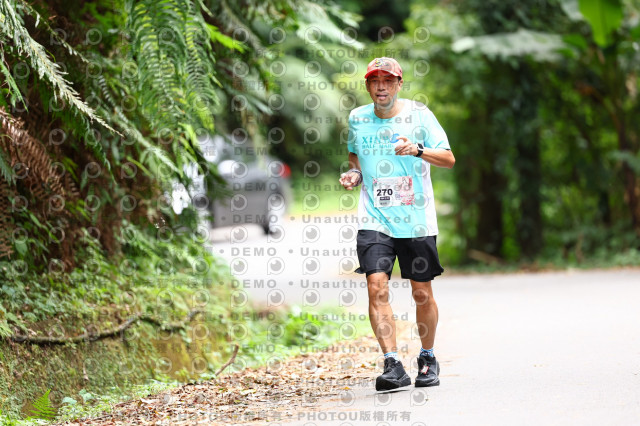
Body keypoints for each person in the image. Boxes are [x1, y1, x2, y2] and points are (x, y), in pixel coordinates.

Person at [339, 57, 455, 391]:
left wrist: (417, 150)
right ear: (367, 86)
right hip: (374, 217)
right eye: (375, 81)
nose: (381, 87)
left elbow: (448, 158)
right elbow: (354, 155)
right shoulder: (357, 118)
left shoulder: (420, 115)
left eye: (388, 81)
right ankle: (392, 364)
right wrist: (355, 173)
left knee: (421, 292)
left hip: (416, 219)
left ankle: (428, 357)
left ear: (399, 84)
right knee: (376, 287)